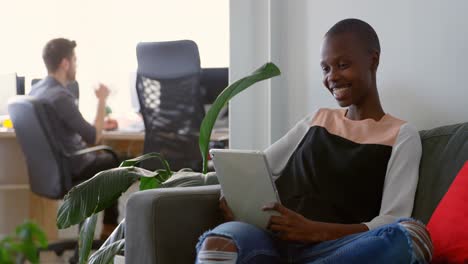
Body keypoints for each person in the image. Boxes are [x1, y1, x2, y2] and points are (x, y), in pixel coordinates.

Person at [195, 19, 433, 263]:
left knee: (410, 237)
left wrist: (314, 230)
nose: (333, 77)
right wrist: (235, 200)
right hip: (271, 240)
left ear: (373, 59)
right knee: (219, 242)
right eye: (326, 69)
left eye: (342, 65)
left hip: (334, 248)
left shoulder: (401, 135)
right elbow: (257, 168)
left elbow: (392, 219)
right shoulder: (317, 119)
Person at [29, 38, 119, 236]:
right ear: (65, 63)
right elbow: (94, 137)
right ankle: (109, 229)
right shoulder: (60, 96)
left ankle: (104, 230)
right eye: (75, 60)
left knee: (106, 157)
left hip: (49, 174)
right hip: (74, 168)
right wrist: (102, 99)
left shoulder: (36, 91)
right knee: (113, 160)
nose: (76, 65)